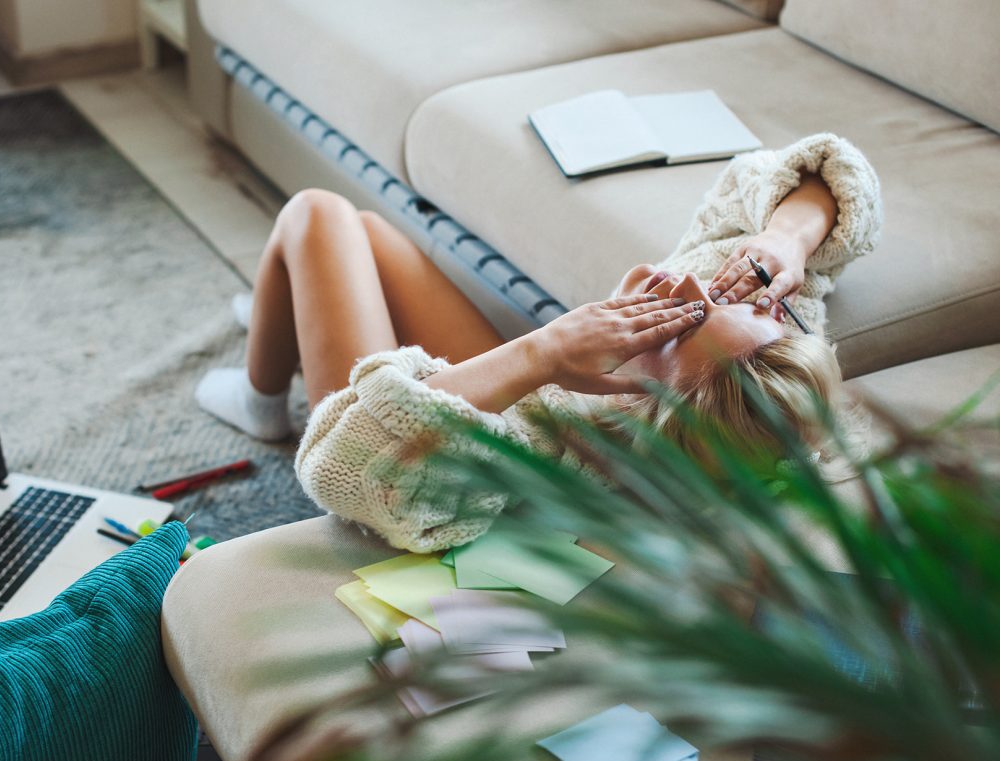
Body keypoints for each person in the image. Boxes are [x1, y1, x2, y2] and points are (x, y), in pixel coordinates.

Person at [196, 133, 882, 552]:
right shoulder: (764, 358)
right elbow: (835, 166)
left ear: (646, 406)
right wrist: (784, 241)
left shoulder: (560, 453)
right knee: (367, 235)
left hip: (436, 420)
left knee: (316, 216)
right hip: (540, 386)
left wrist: (542, 352)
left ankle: (263, 399)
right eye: (743, 297)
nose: (686, 286)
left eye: (684, 325)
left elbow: (340, 467)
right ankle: (282, 319)